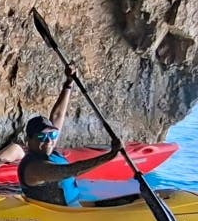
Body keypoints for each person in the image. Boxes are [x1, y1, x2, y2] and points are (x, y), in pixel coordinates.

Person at [16, 73, 129, 207]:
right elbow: (71, 170)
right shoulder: (33, 168)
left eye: (52, 135)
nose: (49, 141)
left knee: (128, 199)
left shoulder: (47, 149)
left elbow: (58, 115)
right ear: (28, 140)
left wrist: (68, 84)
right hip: (60, 215)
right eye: (42, 137)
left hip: (74, 206)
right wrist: (110, 156)